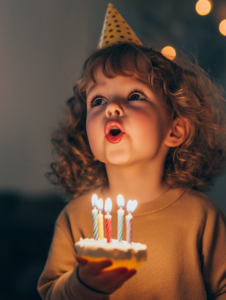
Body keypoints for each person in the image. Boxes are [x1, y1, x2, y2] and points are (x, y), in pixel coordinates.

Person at [38, 3, 226, 300]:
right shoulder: (75, 218)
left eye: (135, 95)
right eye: (97, 101)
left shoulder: (202, 217)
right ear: (87, 136)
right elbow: (51, 294)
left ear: (175, 130)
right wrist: (84, 283)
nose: (111, 106)